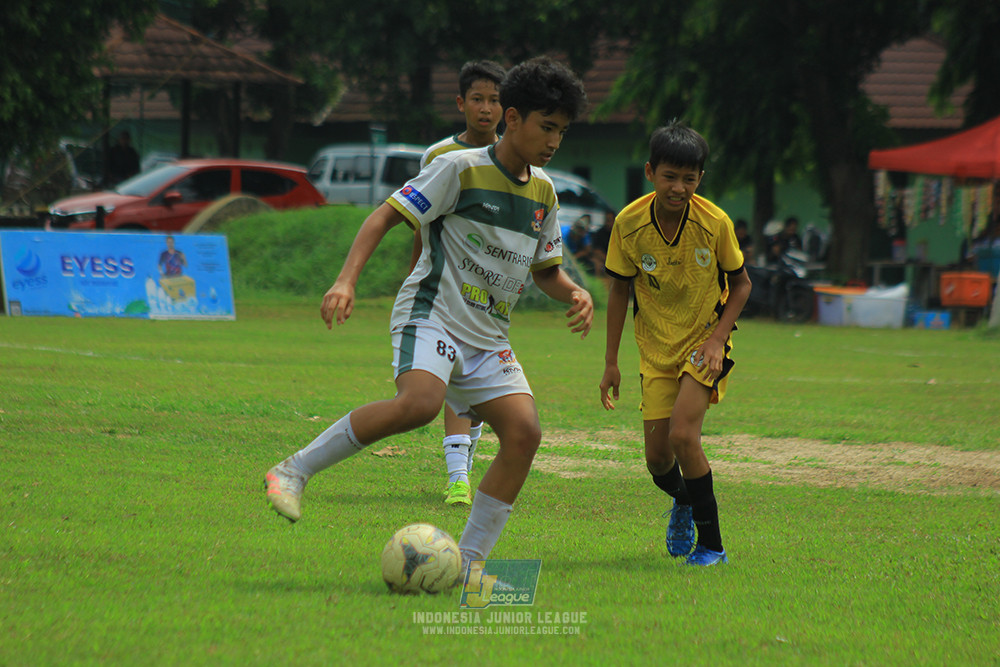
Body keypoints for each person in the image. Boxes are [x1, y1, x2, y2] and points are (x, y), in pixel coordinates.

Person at [265, 56, 592, 570]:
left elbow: (547, 270)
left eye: (562, 132)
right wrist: (346, 280)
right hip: (432, 314)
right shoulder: (459, 168)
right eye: (546, 127)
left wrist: (574, 291)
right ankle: (292, 471)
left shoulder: (544, 192)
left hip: (488, 336)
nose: (554, 142)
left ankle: (470, 564)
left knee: (525, 434)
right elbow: (384, 217)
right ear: (512, 118)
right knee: (419, 403)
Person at [599, 121, 751, 567]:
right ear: (650, 172)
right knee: (658, 459)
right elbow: (618, 291)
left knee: (685, 437)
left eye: (689, 178)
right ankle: (684, 501)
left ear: (700, 179)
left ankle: (712, 546)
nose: (679, 187)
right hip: (656, 350)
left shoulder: (715, 222)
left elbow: (741, 284)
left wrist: (718, 339)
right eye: (670, 176)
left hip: (704, 343)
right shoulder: (628, 224)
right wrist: (611, 361)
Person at [412, 60, 506, 507]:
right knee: (449, 378)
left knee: (475, 385)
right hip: (442, 293)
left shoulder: (515, 159)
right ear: (460, 103)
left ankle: (461, 467)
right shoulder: (439, 157)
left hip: (490, 297)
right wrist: (414, 281)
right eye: (477, 99)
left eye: (494, 100)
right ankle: (458, 478)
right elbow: (419, 223)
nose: (486, 109)